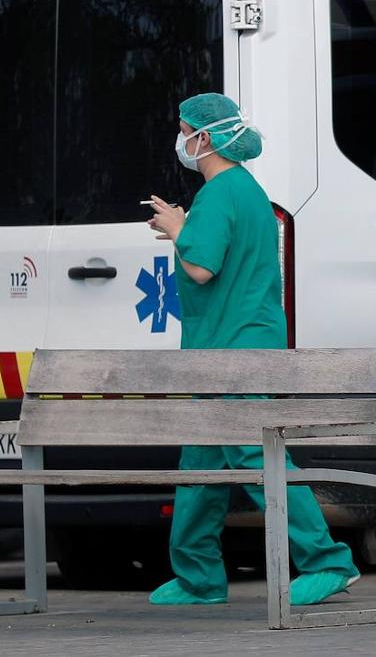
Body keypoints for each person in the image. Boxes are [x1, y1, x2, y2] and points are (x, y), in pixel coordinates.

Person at [146, 93, 360, 607]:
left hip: (235, 355)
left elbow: (201, 267)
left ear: (206, 137)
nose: (181, 139)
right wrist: (186, 224)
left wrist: (177, 228)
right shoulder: (244, 191)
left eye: (184, 130)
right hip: (224, 351)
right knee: (202, 463)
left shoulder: (220, 194)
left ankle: (327, 561)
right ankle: (198, 578)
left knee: (256, 457)